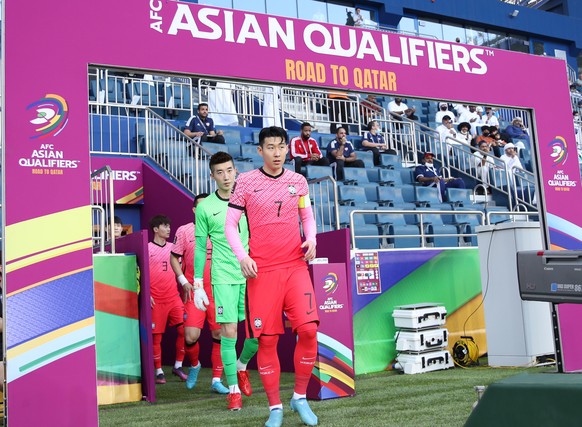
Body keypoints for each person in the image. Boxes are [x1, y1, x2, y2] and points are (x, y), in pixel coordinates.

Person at [225, 126, 319, 427]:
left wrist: (312, 238)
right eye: (271, 147)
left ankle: (299, 397)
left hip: (295, 267)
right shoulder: (246, 183)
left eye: (281, 147)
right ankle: (275, 407)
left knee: (308, 332)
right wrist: (243, 257)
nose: (277, 152)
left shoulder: (298, 181)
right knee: (266, 341)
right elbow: (230, 226)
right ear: (260, 150)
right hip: (262, 272)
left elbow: (306, 215)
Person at [194, 152, 259, 411]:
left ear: (236, 171)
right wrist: (197, 282)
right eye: (219, 172)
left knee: (258, 331)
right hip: (222, 276)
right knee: (228, 332)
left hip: (251, 272)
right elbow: (200, 247)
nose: (225, 176)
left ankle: (242, 366)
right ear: (212, 176)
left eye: (229, 170)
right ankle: (233, 391)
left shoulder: (249, 199)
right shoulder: (205, 207)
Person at [170, 193, 230, 394]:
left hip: (218, 292)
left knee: (219, 335)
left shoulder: (223, 229)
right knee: (189, 337)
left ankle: (216, 380)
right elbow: (174, 258)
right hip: (195, 293)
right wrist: (183, 281)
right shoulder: (185, 231)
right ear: (195, 210)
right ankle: (195, 365)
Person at [148, 215, 186, 385]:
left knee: (185, 331)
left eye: (169, 226)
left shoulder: (174, 248)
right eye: (165, 226)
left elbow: (183, 270)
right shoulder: (147, 248)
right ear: (156, 229)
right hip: (156, 300)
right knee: (156, 338)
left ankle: (178, 366)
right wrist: (145, 294)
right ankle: (159, 371)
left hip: (174, 298)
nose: (169, 229)